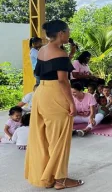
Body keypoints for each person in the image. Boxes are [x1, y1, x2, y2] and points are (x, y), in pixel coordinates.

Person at [25, 20, 84, 189]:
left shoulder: (42, 50)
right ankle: (60, 179)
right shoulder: (60, 53)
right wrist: (71, 103)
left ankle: (49, 175)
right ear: (61, 33)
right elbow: (63, 81)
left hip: (41, 94)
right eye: (68, 31)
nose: (69, 34)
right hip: (55, 95)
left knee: (46, 138)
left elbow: (42, 73)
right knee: (59, 139)